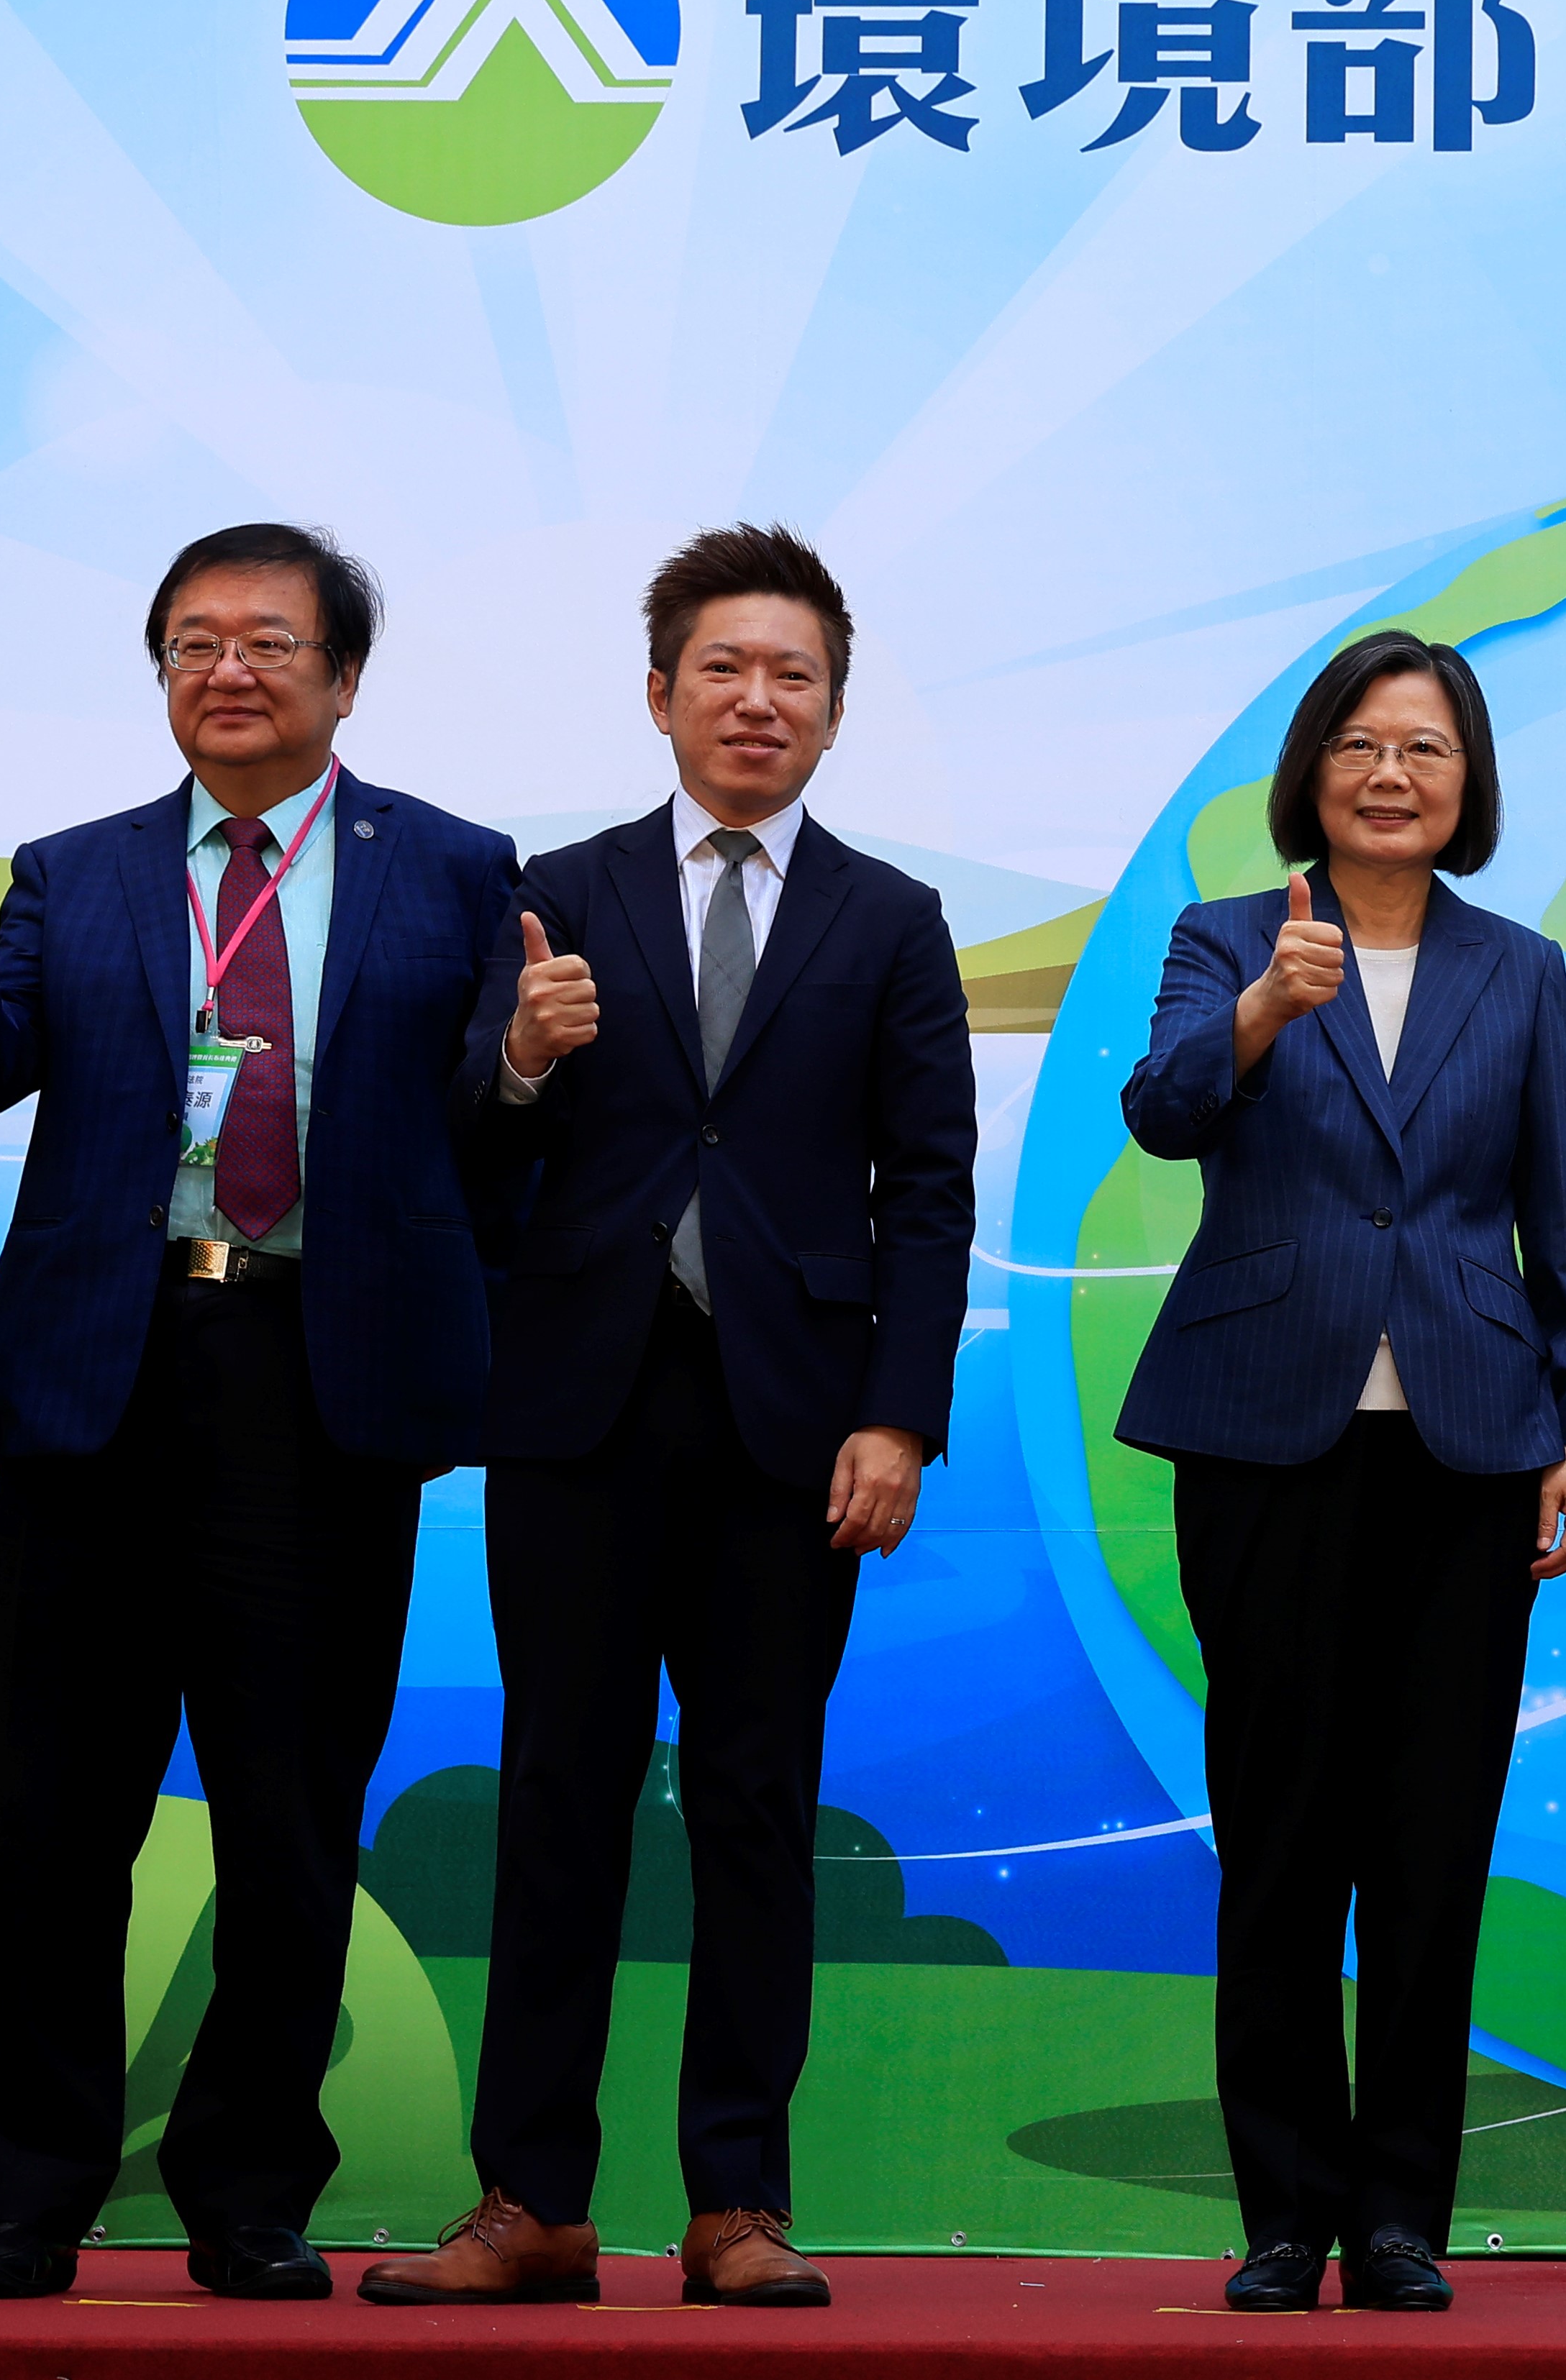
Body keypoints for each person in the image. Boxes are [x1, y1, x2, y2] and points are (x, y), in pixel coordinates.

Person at [0, 524, 527, 2302]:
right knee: (58, 1820)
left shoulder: (457, 870)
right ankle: (26, 2192)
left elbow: (494, 1115)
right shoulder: (74, 873)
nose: (225, 669)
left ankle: (250, 2191)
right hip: (105, 1372)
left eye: (265, 640)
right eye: (190, 642)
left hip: (324, 1383)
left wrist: (538, 1058)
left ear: (340, 676)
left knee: (291, 1808)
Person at [364, 526, 975, 2308]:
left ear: (836, 711)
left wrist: (902, 1421)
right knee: (558, 1797)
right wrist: (525, 1058)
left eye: (793, 675)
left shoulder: (892, 921)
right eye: (723, 669)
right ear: (660, 694)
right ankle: (531, 2202)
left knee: (758, 1809)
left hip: (796, 1432)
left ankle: (737, 2205)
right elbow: (466, 1136)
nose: (756, 701)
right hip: (580, 1412)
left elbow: (926, 1194)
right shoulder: (559, 888)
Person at [1115, 629, 1566, 2318]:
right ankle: (1282, 2215)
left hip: (1472, 1441)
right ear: (1313, 771)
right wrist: (1264, 1010)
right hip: (1266, 1434)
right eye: (1362, 744)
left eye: (1428, 748)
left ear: (1467, 785)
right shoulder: (1223, 939)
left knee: (1428, 1837)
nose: (1393, 773)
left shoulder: (1523, 969)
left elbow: (1564, 1213)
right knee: (1280, 1831)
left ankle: (1402, 2213)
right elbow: (1164, 1113)